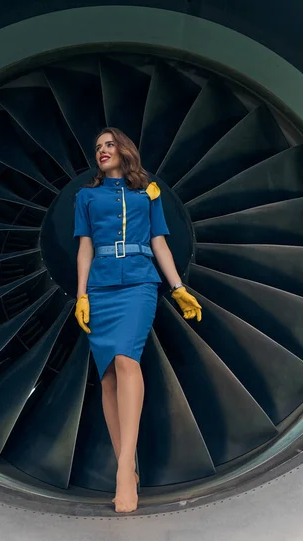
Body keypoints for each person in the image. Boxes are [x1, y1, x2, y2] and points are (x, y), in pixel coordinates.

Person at [73, 127, 202, 513]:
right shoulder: (86, 196)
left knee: (128, 360)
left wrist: (177, 287)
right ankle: (125, 463)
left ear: (125, 149)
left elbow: (160, 241)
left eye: (109, 144)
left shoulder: (149, 193)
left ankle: (124, 470)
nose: (102, 151)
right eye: (97, 147)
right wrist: (81, 295)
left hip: (139, 285)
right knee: (108, 376)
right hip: (101, 288)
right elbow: (85, 247)